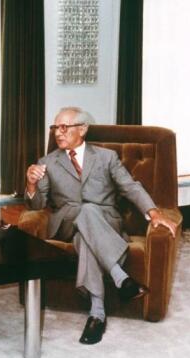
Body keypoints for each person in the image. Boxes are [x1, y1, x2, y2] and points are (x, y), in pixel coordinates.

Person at [25, 107, 177, 345]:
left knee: (86, 234)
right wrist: (31, 185)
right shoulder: (47, 163)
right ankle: (121, 278)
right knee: (84, 212)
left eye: (64, 127)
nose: (58, 133)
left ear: (82, 129)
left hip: (105, 224)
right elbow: (37, 205)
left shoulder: (106, 157)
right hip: (66, 224)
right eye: (55, 127)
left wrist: (154, 212)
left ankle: (97, 314)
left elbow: (130, 186)